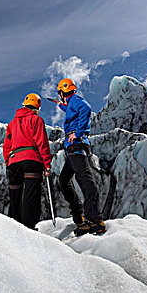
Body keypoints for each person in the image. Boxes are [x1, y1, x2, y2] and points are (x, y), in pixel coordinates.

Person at [55, 78, 106, 236]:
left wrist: (77, 133)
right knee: (64, 180)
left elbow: (86, 108)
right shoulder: (71, 102)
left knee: (84, 177)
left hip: (76, 143)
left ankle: (95, 220)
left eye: (60, 93)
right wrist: (60, 104)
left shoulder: (77, 101)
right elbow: (71, 110)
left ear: (63, 91)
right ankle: (79, 214)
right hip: (72, 148)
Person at [3, 93, 52, 230]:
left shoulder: (12, 124)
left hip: (14, 162)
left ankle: (13, 225)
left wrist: (8, 162)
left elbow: (6, 145)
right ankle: (28, 228)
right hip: (31, 160)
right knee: (30, 194)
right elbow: (41, 143)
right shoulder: (36, 119)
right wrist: (47, 164)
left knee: (15, 195)